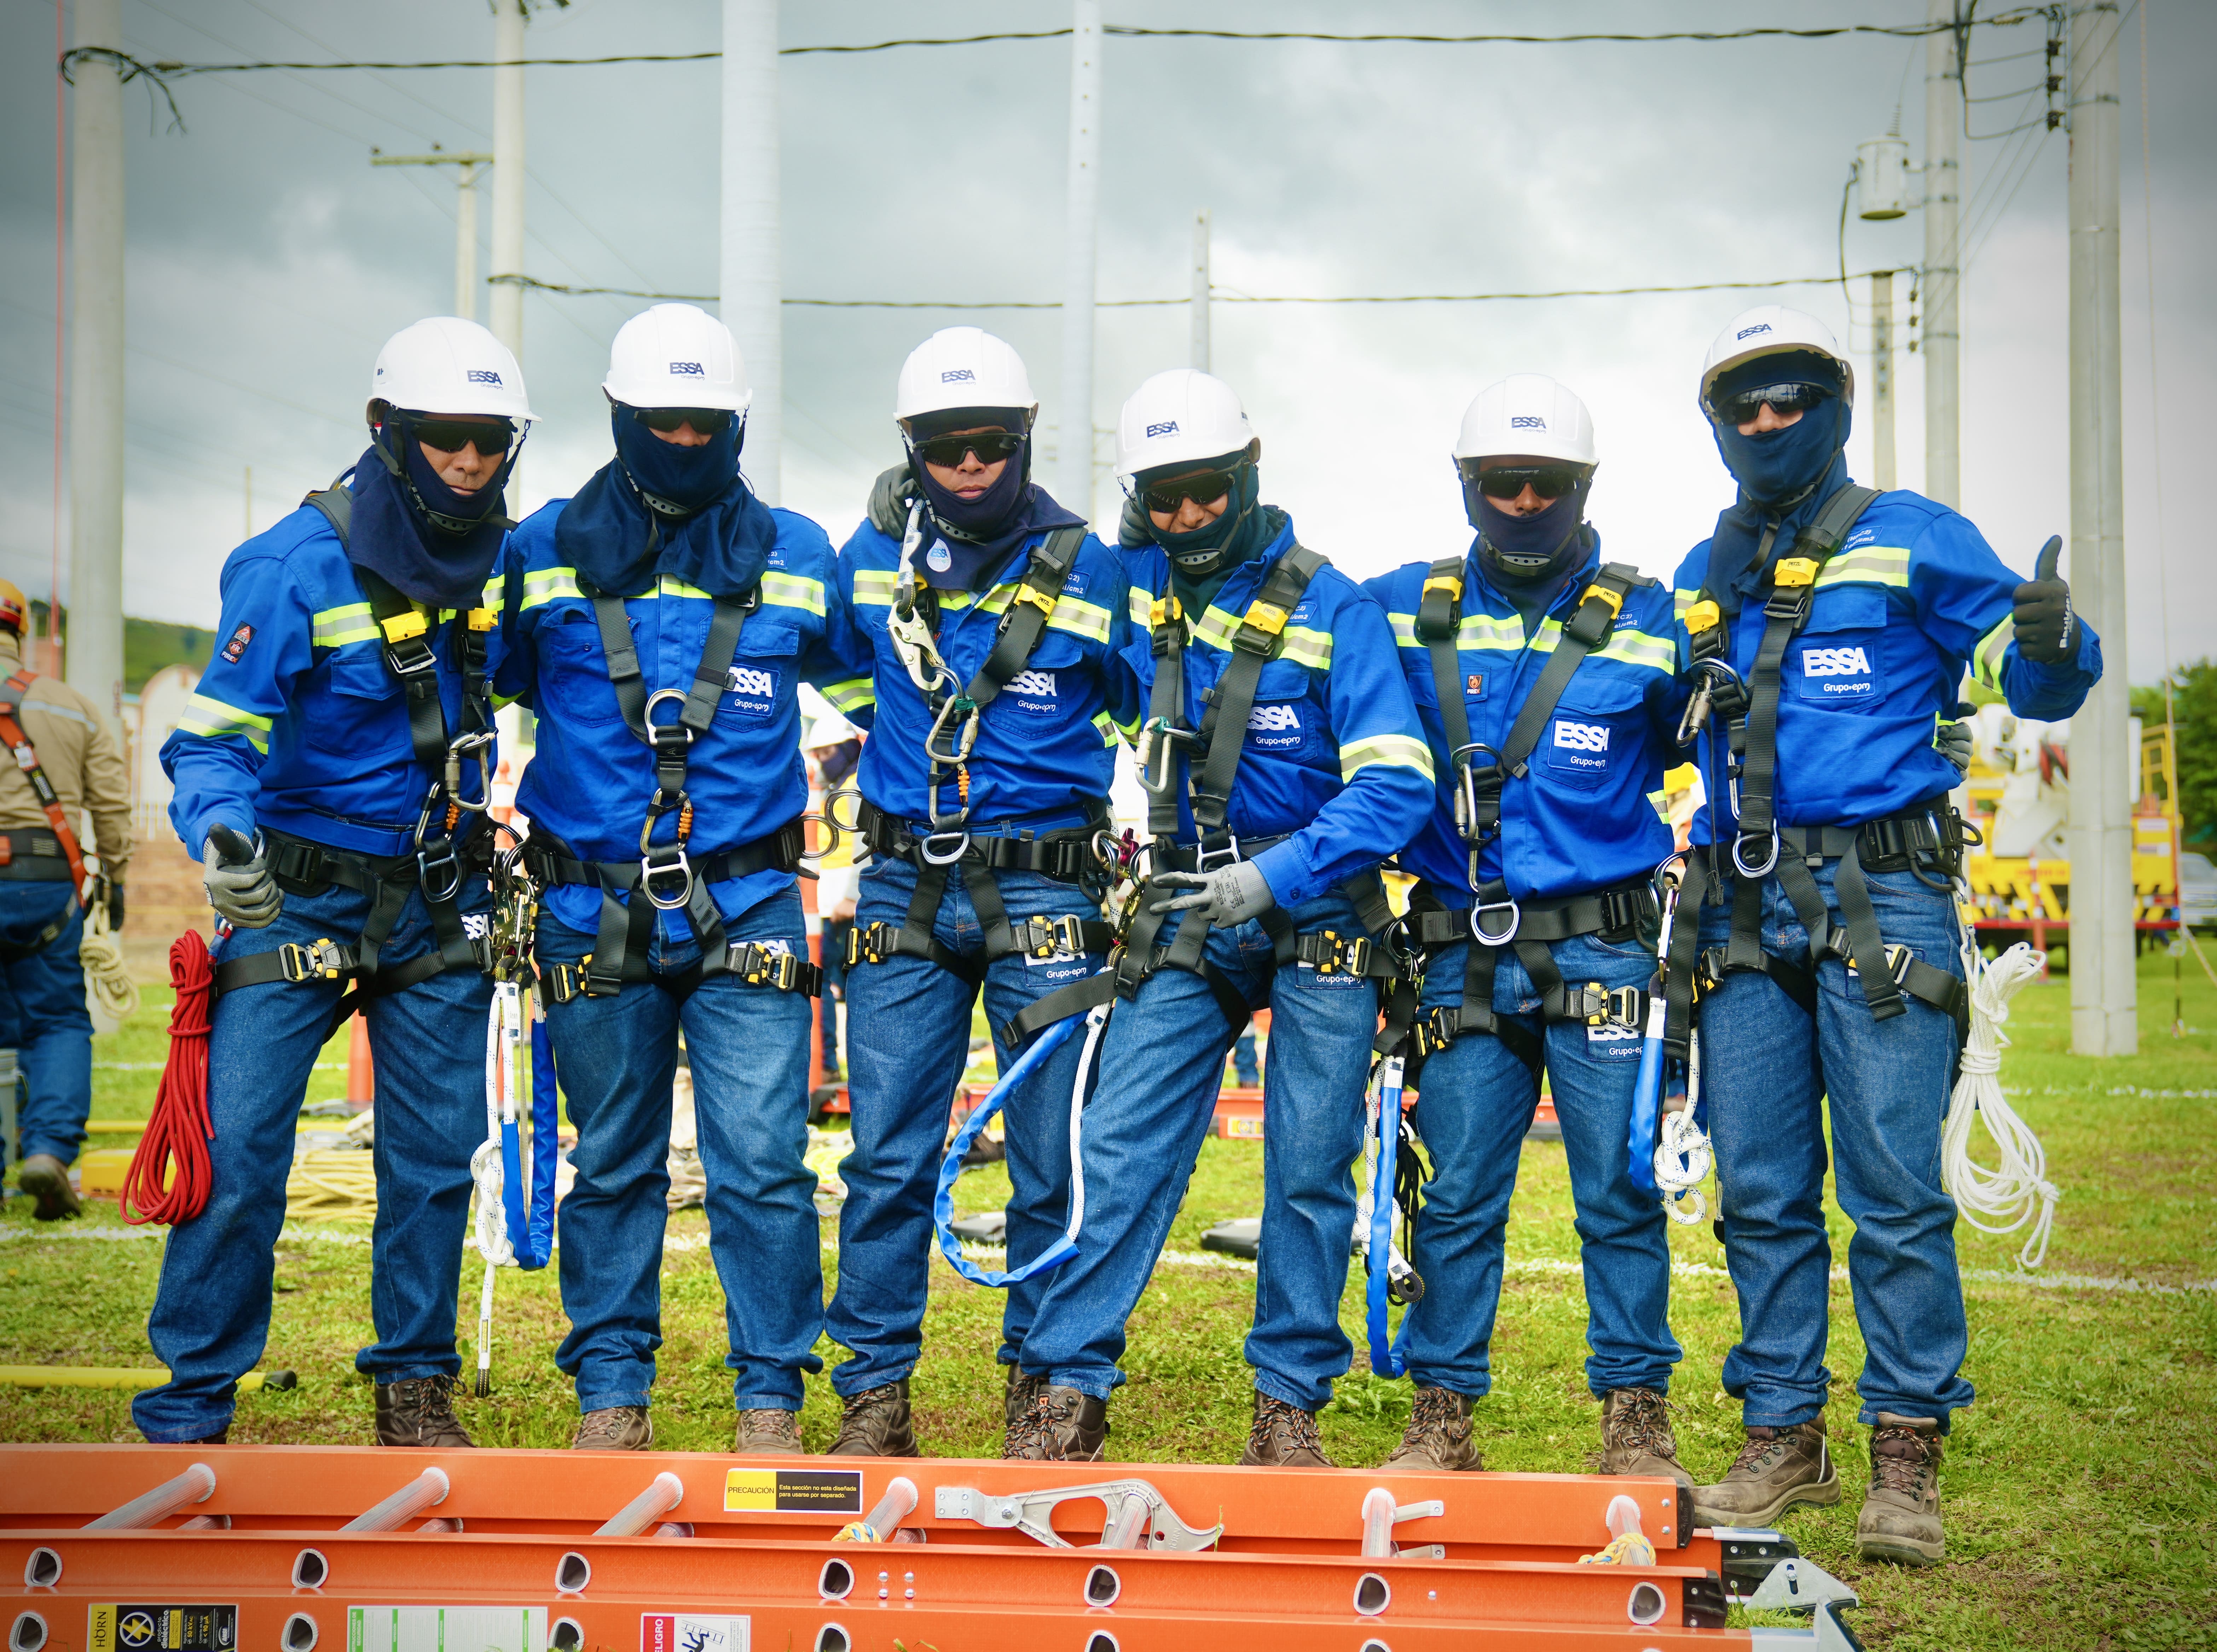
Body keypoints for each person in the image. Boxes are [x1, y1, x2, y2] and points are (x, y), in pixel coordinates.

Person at [1669, 306, 2099, 1564]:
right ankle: (1781, 1433)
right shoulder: (1700, 567)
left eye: (1789, 397)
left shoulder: (1914, 534)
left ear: (1835, 406)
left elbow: (2032, 684)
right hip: (1739, 903)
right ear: (1716, 423)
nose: (1767, 420)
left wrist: (2052, 643)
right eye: (1743, 404)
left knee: (1893, 1186)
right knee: (1757, 1186)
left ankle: (1904, 1448)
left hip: (1881, 895)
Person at [1008, 368, 1434, 1464]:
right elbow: (1008, 565)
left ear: (1248, 473)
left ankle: (1286, 1406)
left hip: (1319, 906)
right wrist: (915, 526)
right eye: (1165, 498)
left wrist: (1274, 875)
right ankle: (1066, 1388)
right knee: (1117, 1141)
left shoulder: (1332, 608)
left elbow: (1396, 784)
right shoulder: (1132, 586)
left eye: (1208, 490)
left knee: (1307, 1163)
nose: (1190, 515)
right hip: (1188, 907)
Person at [147, 316, 529, 1447]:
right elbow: (211, 741)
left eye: (492, 441)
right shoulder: (292, 566)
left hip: (439, 896)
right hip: (297, 897)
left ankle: (414, 1389)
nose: (471, 461)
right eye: (446, 438)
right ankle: (194, 1404)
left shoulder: (504, 559)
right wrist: (224, 838)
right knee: (237, 1155)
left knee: (433, 1161)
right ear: (387, 428)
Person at [499, 303, 853, 1453]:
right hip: (586, 904)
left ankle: (770, 1401)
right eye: (665, 424)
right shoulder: (538, 552)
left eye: (708, 425)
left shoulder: (797, 555)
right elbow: (476, 686)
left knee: (763, 1164)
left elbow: (880, 694)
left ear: (738, 422)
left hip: (749, 903)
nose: (688, 442)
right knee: (611, 1160)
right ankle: (611, 1393)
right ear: (619, 416)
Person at [1362, 376, 1690, 1492]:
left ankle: (1635, 1422)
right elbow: (1282, 622)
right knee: (1457, 1194)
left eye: (1543, 482)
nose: (1520, 501)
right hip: (1458, 954)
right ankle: (1441, 1418)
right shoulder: (1398, 605)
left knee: (1618, 1191)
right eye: (1498, 482)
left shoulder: (1651, 617)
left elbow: (1729, 732)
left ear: (1581, 485)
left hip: (1602, 945)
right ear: (1466, 484)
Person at [820, 326, 1143, 1456]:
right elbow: (826, 661)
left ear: (1026, 439)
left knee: (1054, 1156)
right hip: (902, 888)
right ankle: (873, 1396)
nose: (969, 466)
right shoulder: (869, 556)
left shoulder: (1093, 570)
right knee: (885, 1159)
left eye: (991, 445)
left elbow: (1157, 707)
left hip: (1046, 892)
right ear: (910, 447)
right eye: (945, 447)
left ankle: (1043, 1390)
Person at [0, 577, 132, 1220]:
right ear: (20, 631)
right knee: (55, 1019)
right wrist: (117, 878)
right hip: (44, 882)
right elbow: (110, 804)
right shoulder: (71, 706)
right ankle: (49, 1151)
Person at [805, 711, 864, 1082]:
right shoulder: (834, 787)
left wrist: (852, 895)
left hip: (846, 898)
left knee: (842, 981)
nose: (822, 761)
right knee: (826, 981)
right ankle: (828, 1063)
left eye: (827, 753)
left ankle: (828, 1064)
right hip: (830, 897)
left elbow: (865, 841)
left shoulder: (856, 785)